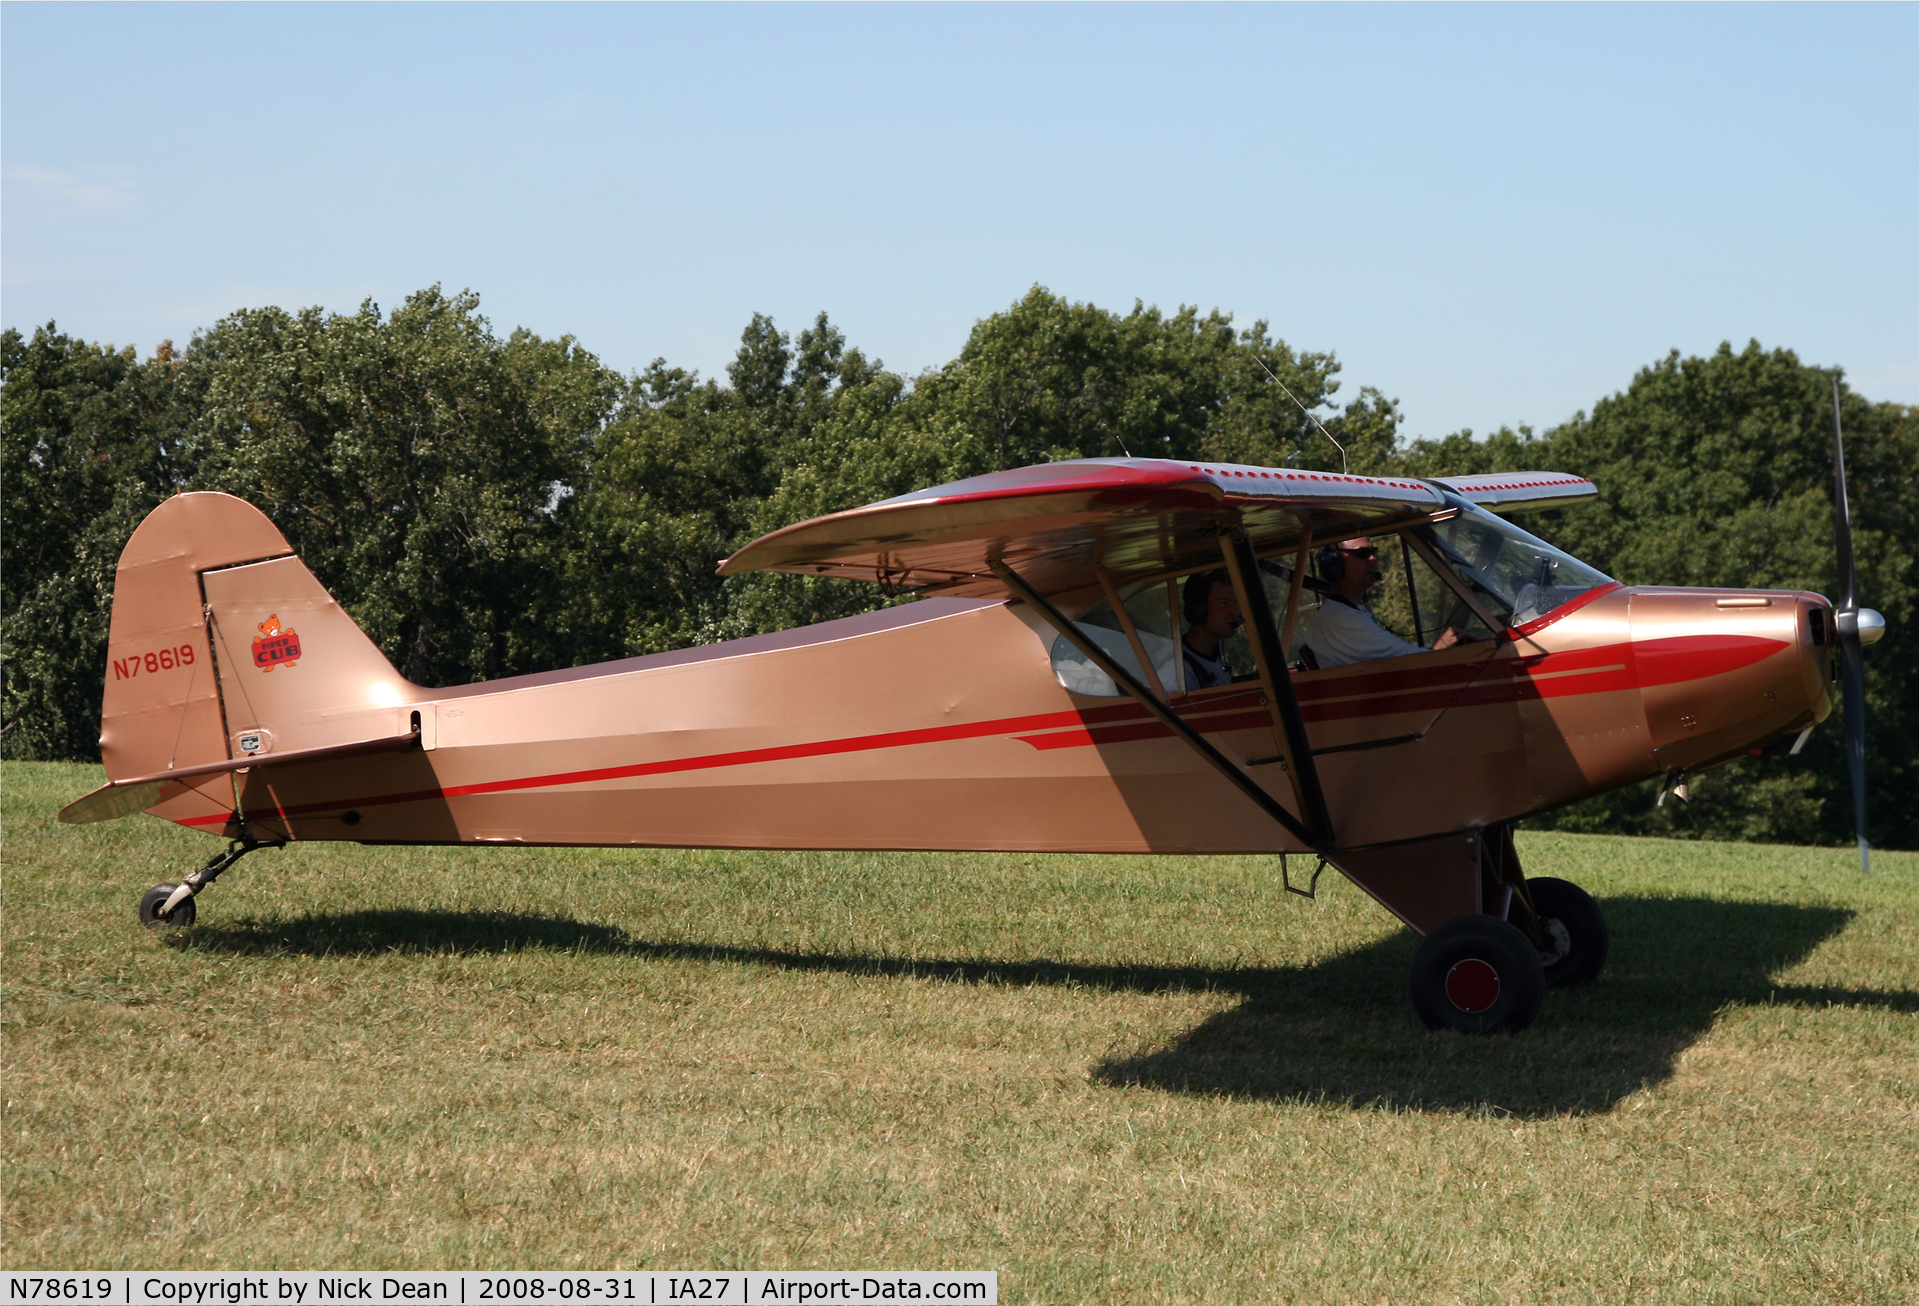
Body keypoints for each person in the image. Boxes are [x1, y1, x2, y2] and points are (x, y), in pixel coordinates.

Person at [1302, 537, 1469, 668]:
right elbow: (1414, 661)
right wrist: (1440, 649)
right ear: (1333, 564)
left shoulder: (1350, 610)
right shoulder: (1340, 618)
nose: (1373, 559)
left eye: (1373, 552)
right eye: (1363, 553)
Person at [1180, 570, 1241, 689]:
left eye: (1236, 603)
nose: (1234, 612)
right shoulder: (1182, 672)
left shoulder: (1212, 657)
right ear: (1199, 609)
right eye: (1223, 603)